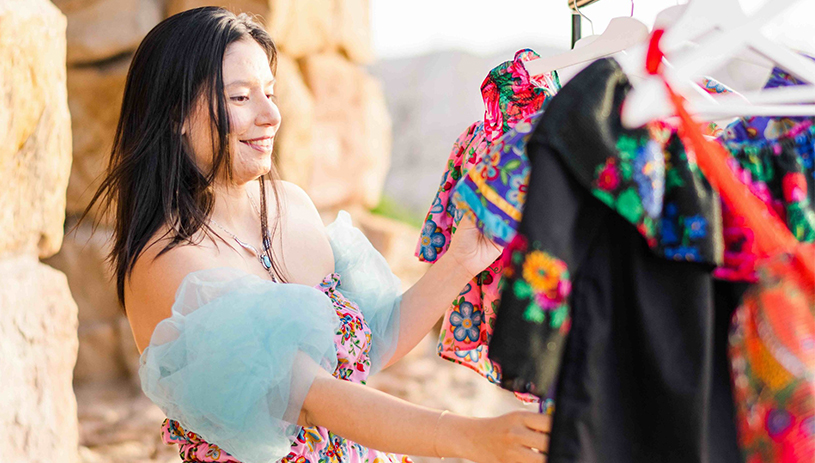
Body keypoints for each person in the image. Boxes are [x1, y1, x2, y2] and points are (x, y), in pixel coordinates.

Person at [81, 7, 550, 463]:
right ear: (175, 114)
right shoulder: (172, 262)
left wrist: (461, 261)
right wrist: (469, 437)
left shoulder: (291, 205)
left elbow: (370, 348)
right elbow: (313, 398)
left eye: (271, 93)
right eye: (241, 98)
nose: (270, 116)